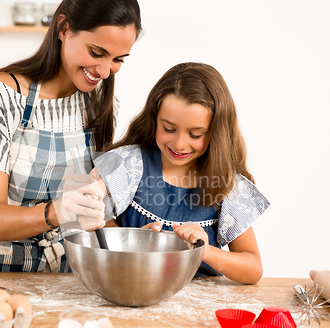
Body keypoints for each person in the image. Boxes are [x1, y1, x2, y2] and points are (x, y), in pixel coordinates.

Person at [0, 0, 142, 272]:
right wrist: (57, 212)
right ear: (63, 28)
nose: (104, 71)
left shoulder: (99, 102)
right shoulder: (0, 97)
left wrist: (133, 240)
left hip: (66, 273)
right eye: (97, 52)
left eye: (118, 59)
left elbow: (88, 205)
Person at [94, 62, 269, 284]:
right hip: (131, 295)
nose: (179, 143)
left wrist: (206, 252)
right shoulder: (127, 164)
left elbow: (253, 269)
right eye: (168, 129)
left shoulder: (227, 185)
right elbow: (93, 225)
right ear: (154, 118)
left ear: (217, 133)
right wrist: (131, 241)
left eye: (195, 134)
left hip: (197, 311)